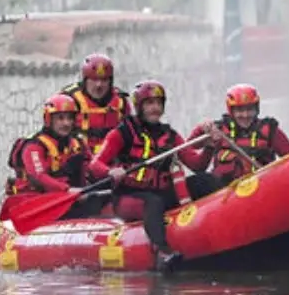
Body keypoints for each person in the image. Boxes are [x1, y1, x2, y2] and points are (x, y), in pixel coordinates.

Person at [88, 80, 217, 270]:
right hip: (129, 197)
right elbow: (94, 165)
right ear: (139, 107)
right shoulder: (122, 133)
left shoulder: (170, 135)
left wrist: (208, 148)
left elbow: (197, 165)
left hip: (161, 194)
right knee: (152, 201)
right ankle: (162, 251)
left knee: (205, 181)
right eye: (149, 104)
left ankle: (220, 224)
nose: (155, 108)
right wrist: (110, 172)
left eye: (158, 103)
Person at [4, 95, 106, 219]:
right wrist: (67, 190)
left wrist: (109, 172)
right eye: (60, 118)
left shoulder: (77, 143)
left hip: (66, 199)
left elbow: (92, 166)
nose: (66, 123)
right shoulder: (34, 146)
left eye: (70, 118)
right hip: (36, 201)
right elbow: (39, 177)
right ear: (49, 119)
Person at [190, 83, 289, 187]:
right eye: (240, 110)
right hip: (224, 194)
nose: (245, 115)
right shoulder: (218, 130)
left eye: (250, 109)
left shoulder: (270, 130)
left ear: (256, 109)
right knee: (199, 182)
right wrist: (201, 129)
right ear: (231, 111)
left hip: (261, 189)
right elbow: (191, 147)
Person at [57, 52, 133, 154]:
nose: (99, 85)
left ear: (110, 81)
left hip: (112, 160)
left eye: (104, 80)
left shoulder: (120, 101)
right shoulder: (69, 99)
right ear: (85, 80)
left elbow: (131, 134)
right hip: (78, 158)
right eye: (94, 79)